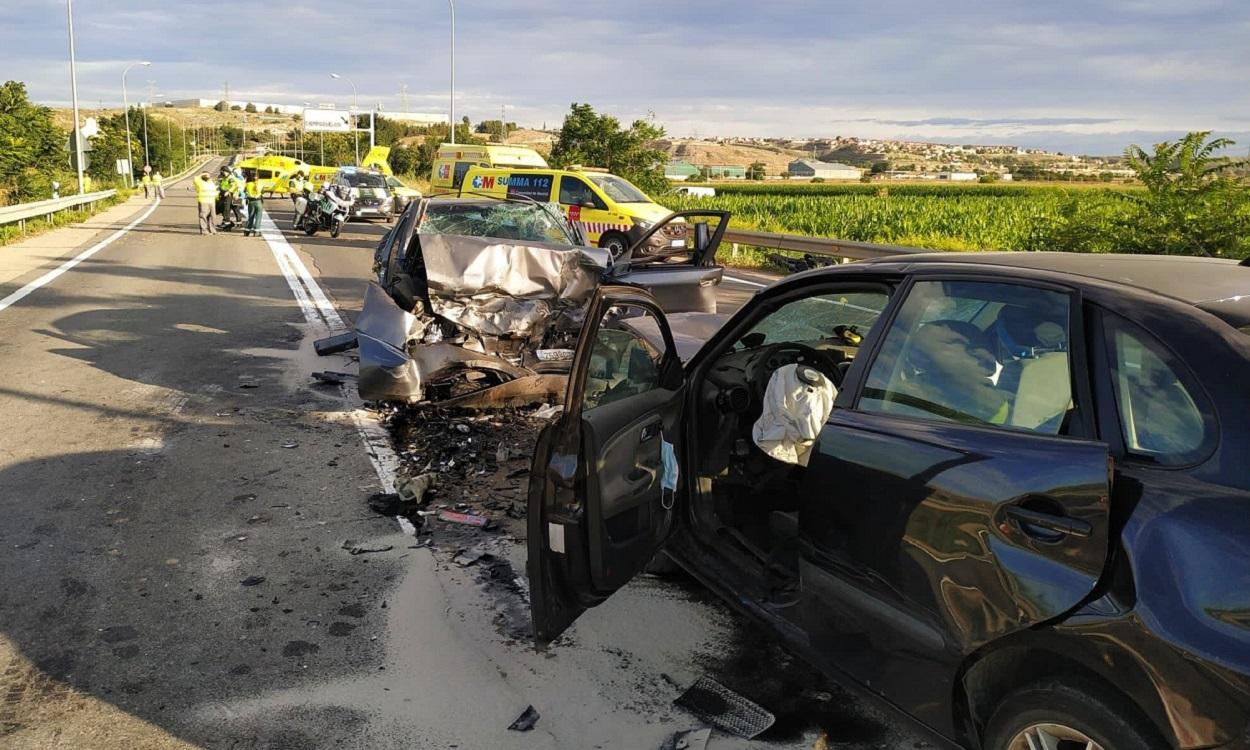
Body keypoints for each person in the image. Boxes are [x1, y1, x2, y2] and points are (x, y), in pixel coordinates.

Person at [243, 170, 264, 237]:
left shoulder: (248, 184)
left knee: (251, 216)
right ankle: (256, 232)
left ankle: (247, 231)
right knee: (258, 217)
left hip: (251, 202)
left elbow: (245, 191)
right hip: (258, 201)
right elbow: (263, 192)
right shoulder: (260, 184)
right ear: (258, 177)